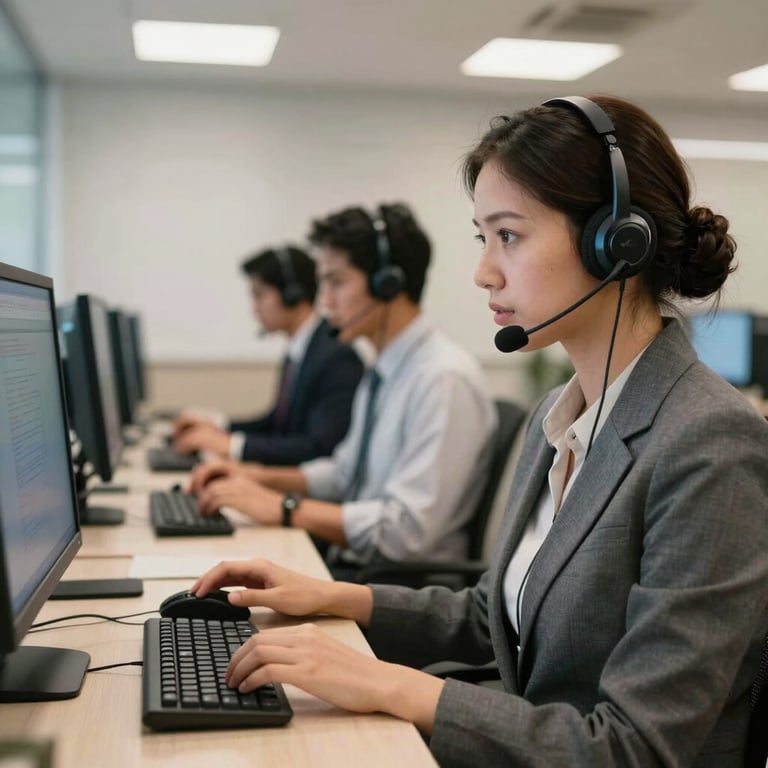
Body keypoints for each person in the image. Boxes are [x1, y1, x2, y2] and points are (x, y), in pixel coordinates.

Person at [191, 96, 768, 767]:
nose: (483, 271)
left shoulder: (709, 444)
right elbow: (494, 615)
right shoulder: (560, 415)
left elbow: (634, 747)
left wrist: (390, 686)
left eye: (510, 236)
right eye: (482, 238)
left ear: (616, 243)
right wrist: (330, 596)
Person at [189, 203, 497, 574]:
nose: (324, 301)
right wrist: (256, 478)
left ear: (389, 283)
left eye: (337, 282)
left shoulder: (441, 380)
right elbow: (343, 474)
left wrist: (285, 507)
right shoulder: (383, 369)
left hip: (402, 587)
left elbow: (407, 533)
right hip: (359, 566)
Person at [172, 245, 363, 465]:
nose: (254, 308)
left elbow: (319, 447)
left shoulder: (336, 356)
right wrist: (218, 425)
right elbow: (277, 423)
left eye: (259, 295)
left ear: (292, 294)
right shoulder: (301, 349)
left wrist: (232, 445)